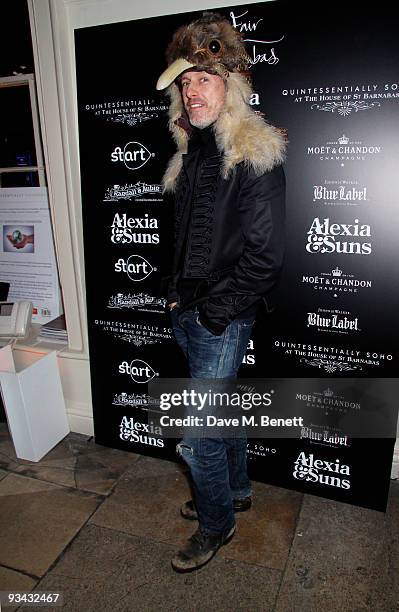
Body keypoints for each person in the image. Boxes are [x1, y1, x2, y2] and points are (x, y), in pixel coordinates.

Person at [156, 12, 286, 572]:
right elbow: (184, 241)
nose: (191, 91)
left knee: (199, 436)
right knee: (222, 416)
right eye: (184, 83)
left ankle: (217, 526)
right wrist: (174, 295)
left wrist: (211, 314)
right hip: (190, 310)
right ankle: (232, 493)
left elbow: (264, 260)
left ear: (229, 86)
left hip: (223, 317)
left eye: (202, 79)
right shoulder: (190, 156)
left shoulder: (254, 152)